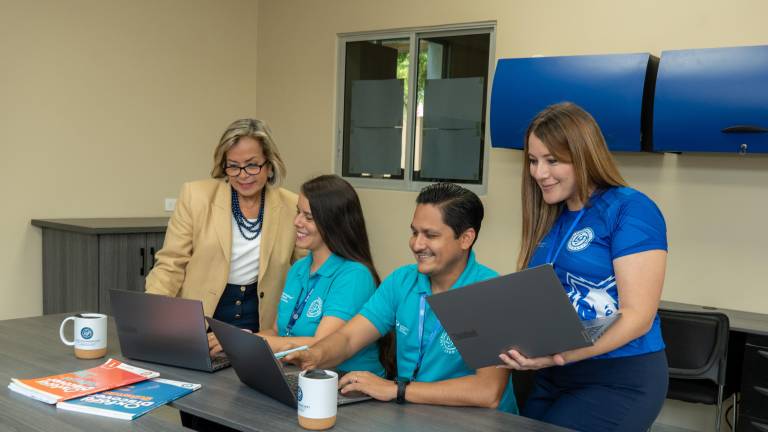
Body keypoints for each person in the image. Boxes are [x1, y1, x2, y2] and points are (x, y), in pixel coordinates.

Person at [499, 102, 668, 431]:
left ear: (583, 155)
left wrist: (560, 356)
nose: (539, 173)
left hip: (619, 378)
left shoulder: (630, 208)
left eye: (552, 160)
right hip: (554, 376)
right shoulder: (552, 218)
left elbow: (638, 318)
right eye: (533, 161)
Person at [286, 183, 517, 413]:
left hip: (476, 421)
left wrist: (396, 389)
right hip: (413, 412)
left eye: (431, 235)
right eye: (414, 232)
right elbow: (348, 338)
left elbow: (488, 391)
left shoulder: (489, 291)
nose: (417, 244)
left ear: (466, 238)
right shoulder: (402, 280)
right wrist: (315, 355)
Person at [145, 118, 303, 354]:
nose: (243, 175)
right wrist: (152, 314)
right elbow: (171, 263)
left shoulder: (292, 205)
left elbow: (304, 272)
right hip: (202, 319)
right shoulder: (196, 196)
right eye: (233, 166)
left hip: (259, 325)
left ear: (270, 165)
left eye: (252, 165)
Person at [256, 175, 388, 377]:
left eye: (308, 217)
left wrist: (260, 343)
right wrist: (242, 341)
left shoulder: (354, 275)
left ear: (333, 223)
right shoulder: (299, 268)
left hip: (346, 384)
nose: (296, 222)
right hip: (298, 374)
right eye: (298, 212)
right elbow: (278, 332)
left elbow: (322, 346)